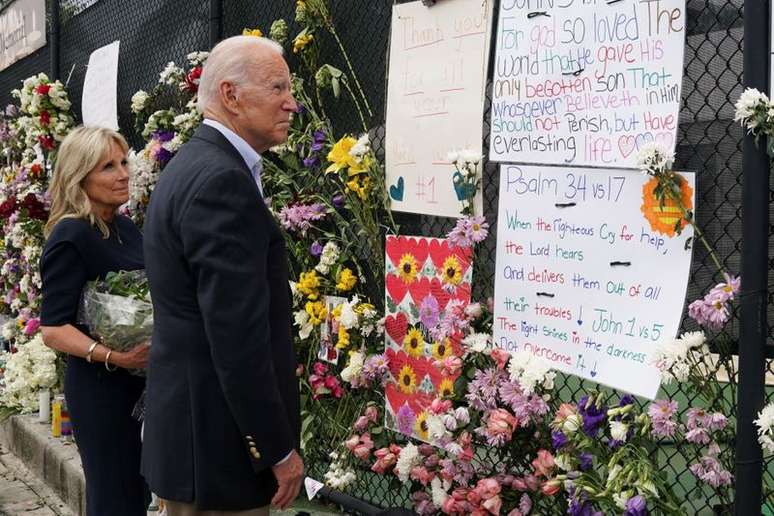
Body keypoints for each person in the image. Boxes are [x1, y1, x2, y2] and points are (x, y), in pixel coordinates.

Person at [141, 35, 304, 515]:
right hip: (219, 452)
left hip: (196, 442)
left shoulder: (194, 165)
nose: (291, 103)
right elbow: (237, 338)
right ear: (231, 95)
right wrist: (276, 449)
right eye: (277, 88)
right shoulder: (222, 180)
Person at [39, 126, 150, 516]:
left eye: (123, 162)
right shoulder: (71, 235)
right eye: (108, 167)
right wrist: (115, 357)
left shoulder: (125, 227)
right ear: (79, 176)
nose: (123, 174)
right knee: (114, 499)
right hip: (103, 390)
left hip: (139, 383)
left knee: (136, 495)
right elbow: (53, 329)